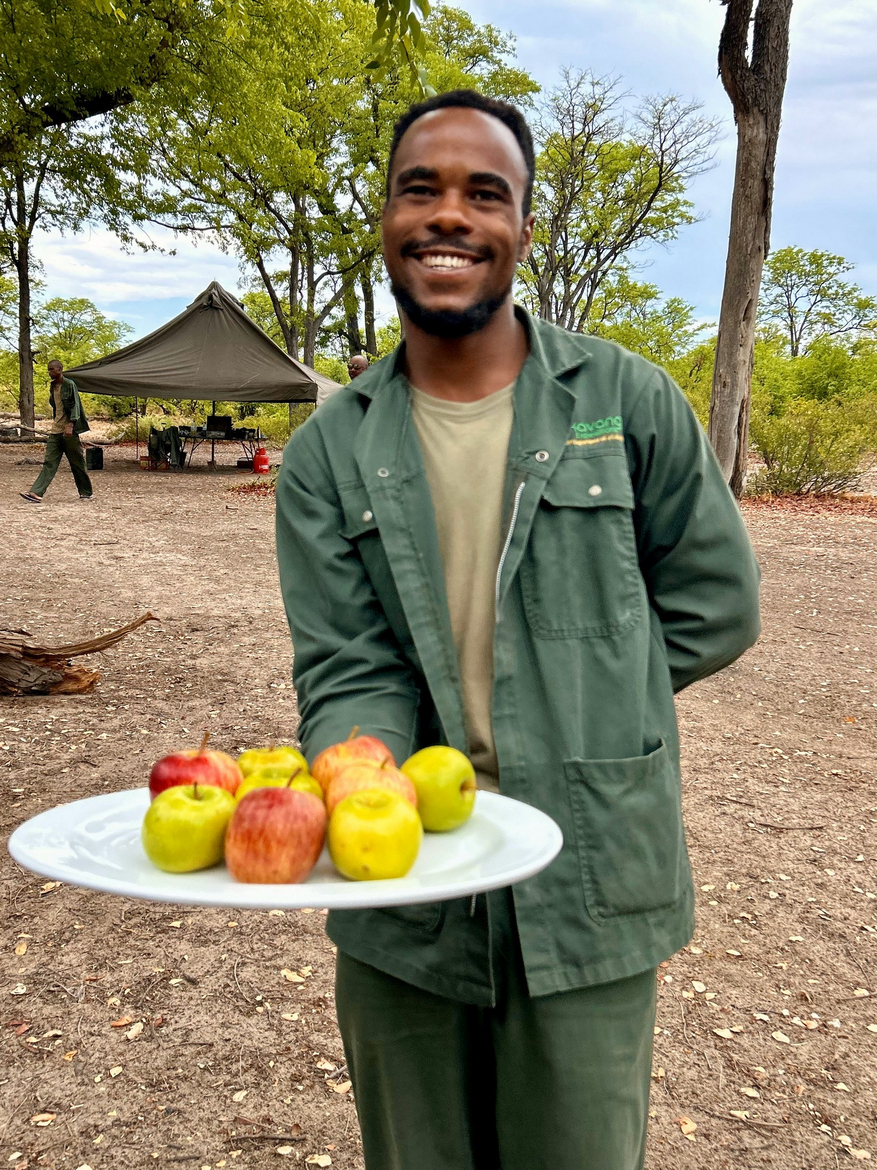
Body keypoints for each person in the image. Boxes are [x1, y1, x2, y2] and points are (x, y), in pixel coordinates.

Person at [276, 90, 760, 1170]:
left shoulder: (621, 401)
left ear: (522, 230)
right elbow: (347, 663)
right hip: (400, 883)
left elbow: (717, 602)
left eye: (483, 193)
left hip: (591, 872)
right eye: (421, 188)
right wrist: (367, 790)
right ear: (386, 219)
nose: (449, 214)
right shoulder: (326, 453)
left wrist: (579, 703)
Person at [20, 360, 93, 503]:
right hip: (55, 430)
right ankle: (36, 493)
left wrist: (71, 424)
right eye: (48, 370)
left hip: (69, 431)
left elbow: (75, 406)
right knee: (49, 462)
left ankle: (86, 492)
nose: (49, 372)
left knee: (77, 463)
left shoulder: (69, 385)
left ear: (60, 369)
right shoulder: (53, 386)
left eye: (52, 369)